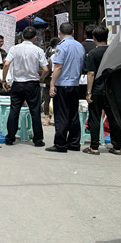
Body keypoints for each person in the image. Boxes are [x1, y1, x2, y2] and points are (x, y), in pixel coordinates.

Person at [2, 27, 48, 147]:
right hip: (32, 83)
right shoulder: (38, 50)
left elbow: (6, 63)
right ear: (34, 37)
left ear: (22, 36)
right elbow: (46, 68)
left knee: (14, 110)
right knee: (35, 111)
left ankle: (10, 137)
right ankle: (38, 139)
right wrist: (41, 78)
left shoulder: (14, 49)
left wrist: (4, 78)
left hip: (18, 83)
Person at [83, 25, 121, 156]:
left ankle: (94, 147)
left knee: (95, 117)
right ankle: (117, 147)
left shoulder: (93, 53)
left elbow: (91, 73)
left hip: (97, 90)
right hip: (112, 90)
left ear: (94, 38)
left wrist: (89, 92)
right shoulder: (114, 52)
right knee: (113, 118)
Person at [46, 22, 85, 153]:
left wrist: (52, 84)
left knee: (61, 114)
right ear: (73, 32)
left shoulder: (61, 47)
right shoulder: (80, 46)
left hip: (63, 84)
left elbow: (58, 66)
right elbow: (80, 66)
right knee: (73, 114)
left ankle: (60, 144)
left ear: (59, 33)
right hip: (75, 84)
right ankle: (74, 142)